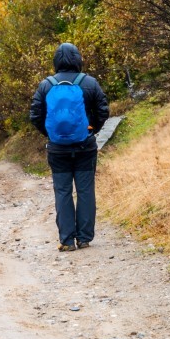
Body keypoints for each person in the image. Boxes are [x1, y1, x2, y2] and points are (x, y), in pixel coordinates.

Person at [30, 43, 109, 252]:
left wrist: (51, 134)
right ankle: (84, 238)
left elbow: (35, 115)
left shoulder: (46, 85)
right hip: (86, 147)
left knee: (62, 192)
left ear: (56, 60)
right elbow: (103, 111)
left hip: (57, 149)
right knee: (85, 191)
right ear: (78, 59)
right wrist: (91, 130)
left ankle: (67, 240)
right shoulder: (89, 83)